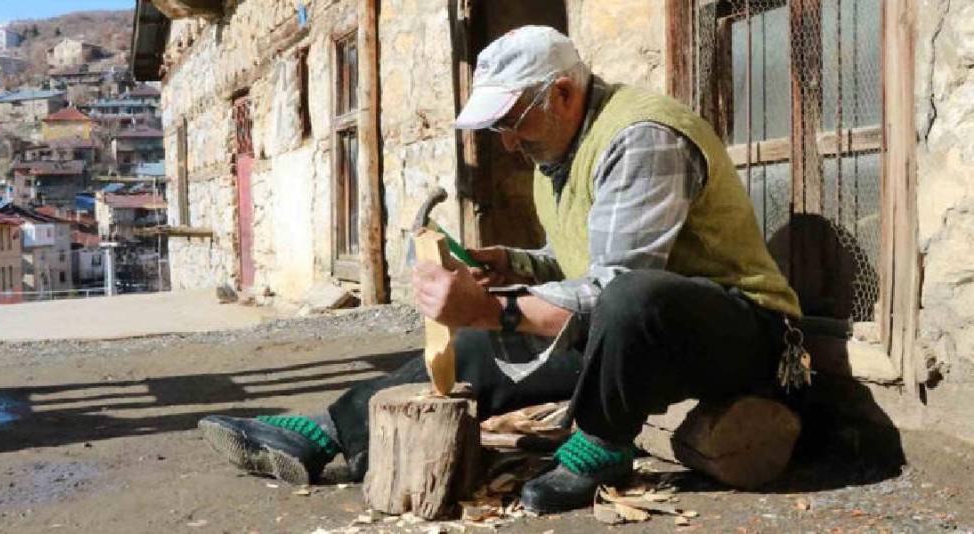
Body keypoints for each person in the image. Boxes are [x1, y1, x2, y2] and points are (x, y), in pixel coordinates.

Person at [198, 25, 802, 514]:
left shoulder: (641, 137)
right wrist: (513, 265)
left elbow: (618, 287)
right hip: (636, 337)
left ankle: (604, 445)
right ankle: (325, 433)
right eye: (500, 127)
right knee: (480, 344)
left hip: (746, 336)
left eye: (514, 119)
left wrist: (496, 307)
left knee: (624, 298)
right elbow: (580, 261)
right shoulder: (558, 151)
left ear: (562, 93)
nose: (509, 143)